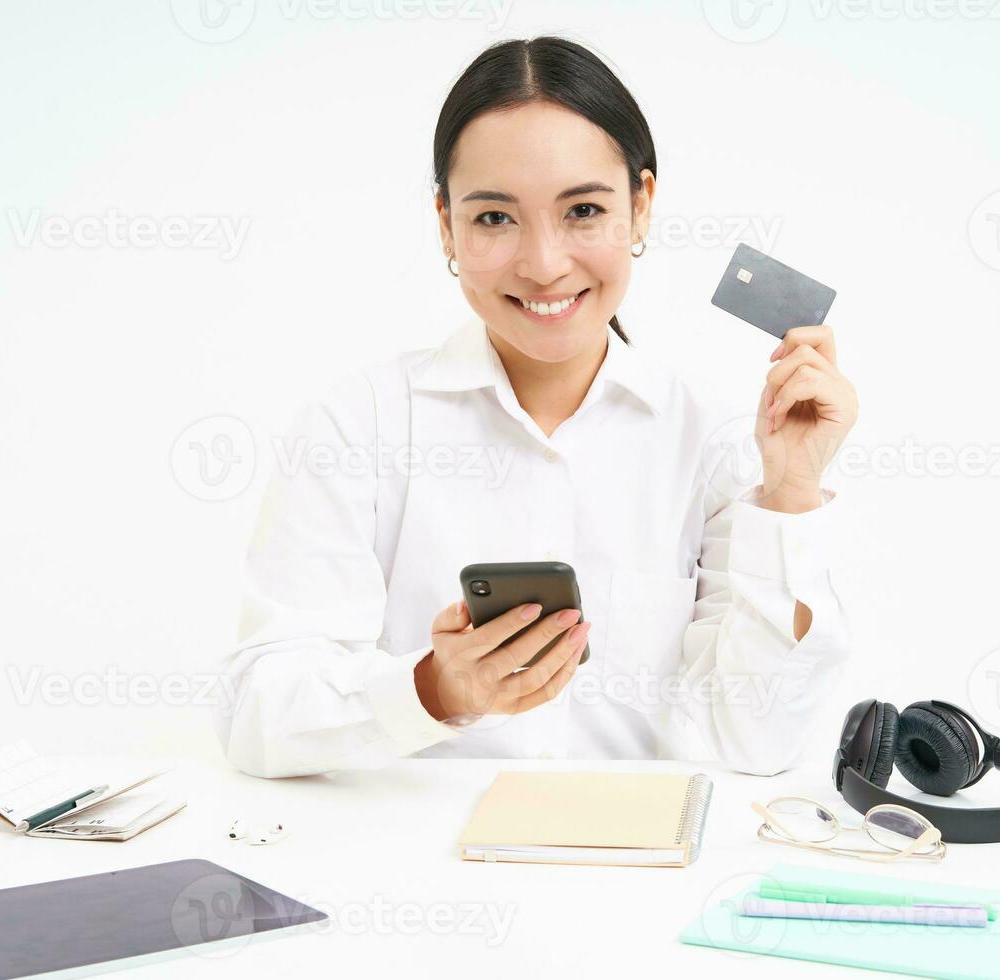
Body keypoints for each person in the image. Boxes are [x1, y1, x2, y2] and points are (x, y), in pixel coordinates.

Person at [213, 36, 857, 778]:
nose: (544, 263)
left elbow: (755, 745)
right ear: (445, 223)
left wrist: (791, 496)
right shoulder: (355, 426)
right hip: (414, 876)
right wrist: (431, 690)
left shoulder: (711, 441)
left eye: (583, 210)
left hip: (637, 876)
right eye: (494, 218)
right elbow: (257, 719)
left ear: (641, 207)